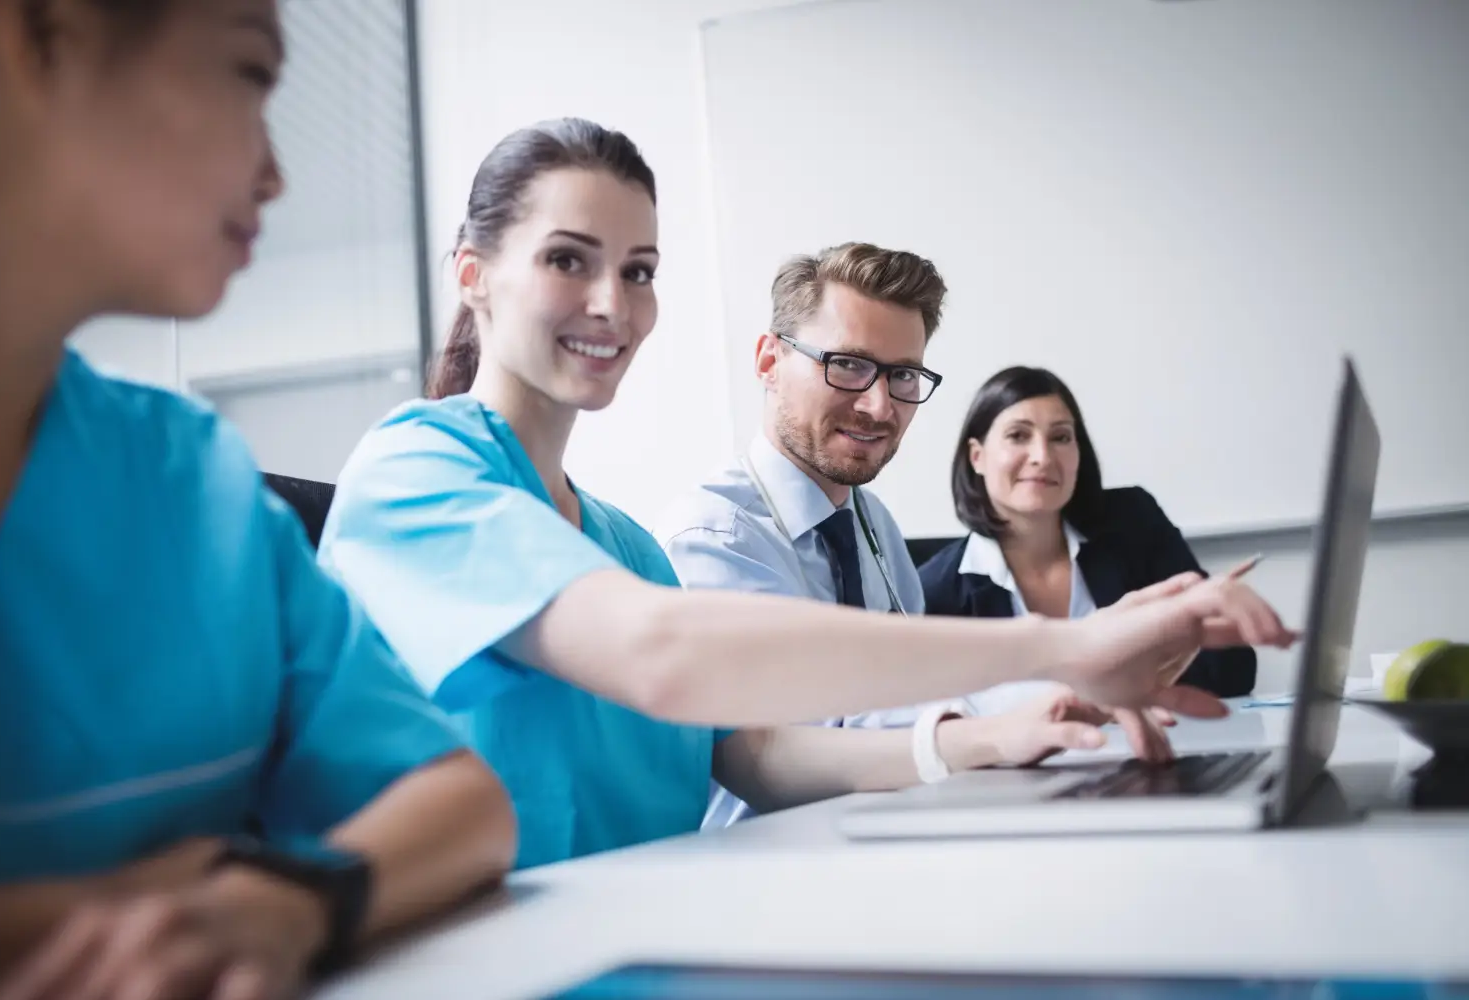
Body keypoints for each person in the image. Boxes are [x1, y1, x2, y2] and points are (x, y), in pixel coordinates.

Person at [318, 117, 1294, 872]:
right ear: (473, 275)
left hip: (661, 930)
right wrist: (1069, 646)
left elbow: (760, 758)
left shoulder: (623, 545)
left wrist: (995, 735)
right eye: (568, 259)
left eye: (641, 269)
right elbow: (663, 658)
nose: (615, 303)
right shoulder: (415, 470)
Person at [0, 2, 515, 998]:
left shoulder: (195, 484)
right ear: (41, 33)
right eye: (249, 74)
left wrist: (286, 893)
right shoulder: (417, 460)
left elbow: (463, 803)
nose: (275, 175)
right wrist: (169, 888)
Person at [656, 243, 1193, 828]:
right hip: (769, 860)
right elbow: (804, 744)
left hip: (886, 829)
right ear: (768, 362)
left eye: (903, 375)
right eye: (848, 364)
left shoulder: (875, 524)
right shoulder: (717, 536)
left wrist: (1072, 688)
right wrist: (1057, 677)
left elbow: (900, 701)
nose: (878, 405)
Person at [917, 366, 1259, 712]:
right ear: (977, 457)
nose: (1042, 456)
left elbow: (1232, 670)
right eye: (1018, 435)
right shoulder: (935, 591)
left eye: (1061, 437)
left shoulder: (1133, 522)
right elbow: (934, 719)